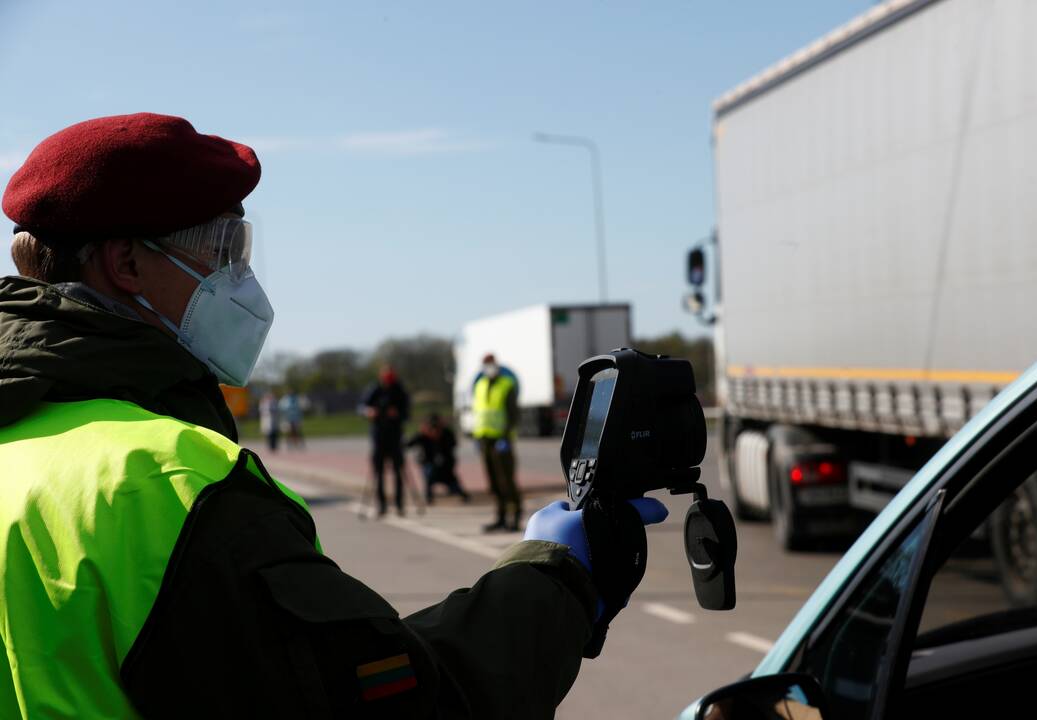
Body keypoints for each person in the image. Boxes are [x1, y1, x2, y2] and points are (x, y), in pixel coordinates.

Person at [0, 112, 667, 718]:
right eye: (226, 250)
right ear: (127, 264)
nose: (242, 279)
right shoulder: (175, 485)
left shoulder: (18, 440)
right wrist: (557, 578)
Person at [472, 352, 524, 532]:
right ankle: (500, 517)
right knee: (493, 482)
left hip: (501, 439)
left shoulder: (506, 384)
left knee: (506, 480)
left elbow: (513, 414)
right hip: (484, 438)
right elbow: (479, 412)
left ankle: (515, 517)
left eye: (491, 364)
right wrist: (477, 437)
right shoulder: (480, 384)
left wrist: (506, 435)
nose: (489, 368)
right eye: (486, 364)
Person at [363, 365, 411, 516]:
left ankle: (399, 504)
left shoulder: (400, 390)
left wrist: (397, 414)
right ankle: (381, 504)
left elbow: (407, 413)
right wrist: (369, 412)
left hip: (395, 436)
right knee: (378, 471)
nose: (387, 381)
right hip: (379, 436)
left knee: (398, 471)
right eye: (385, 378)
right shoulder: (374, 389)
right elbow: (362, 406)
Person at [407, 413, 469, 503]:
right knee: (429, 473)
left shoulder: (446, 434)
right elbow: (409, 444)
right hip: (429, 466)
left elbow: (453, 444)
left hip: (446, 467)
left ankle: (458, 492)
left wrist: (440, 437)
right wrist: (422, 433)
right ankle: (429, 496)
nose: (434, 430)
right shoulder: (423, 435)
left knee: (452, 481)